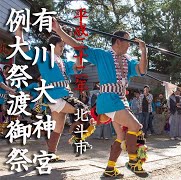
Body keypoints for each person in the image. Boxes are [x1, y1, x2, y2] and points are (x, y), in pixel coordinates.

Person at [51, 18, 149, 177]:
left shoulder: (128, 60)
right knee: (136, 126)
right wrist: (59, 31)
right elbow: (78, 45)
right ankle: (133, 162)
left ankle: (110, 169)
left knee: (121, 136)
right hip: (108, 99)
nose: (130, 44)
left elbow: (142, 69)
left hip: (120, 99)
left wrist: (144, 51)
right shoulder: (102, 55)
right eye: (128, 41)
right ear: (118, 41)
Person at [17, 24, 91, 162]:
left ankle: (51, 154)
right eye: (61, 46)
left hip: (63, 94)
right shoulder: (43, 55)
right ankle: (77, 137)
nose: (63, 49)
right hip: (55, 95)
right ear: (52, 46)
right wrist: (19, 30)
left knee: (59, 126)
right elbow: (24, 49)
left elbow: (78, 67)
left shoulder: (63, 62)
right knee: (83, 110)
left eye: (63, 47)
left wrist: (79, 50)